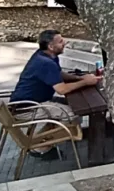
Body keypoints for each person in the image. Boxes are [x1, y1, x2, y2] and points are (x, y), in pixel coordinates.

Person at [10, 30, 100, 160]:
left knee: (75, 105)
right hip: (27, 108)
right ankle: (40, 147)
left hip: (32, 101)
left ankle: (57, 135)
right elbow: (62, 89)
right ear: (51, 46)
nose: (65, 42)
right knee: (72, 113)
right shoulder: (45, 63)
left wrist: (79, 78)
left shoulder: (46, 56)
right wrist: (85, 82)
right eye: (60, 41)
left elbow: (59, 74)